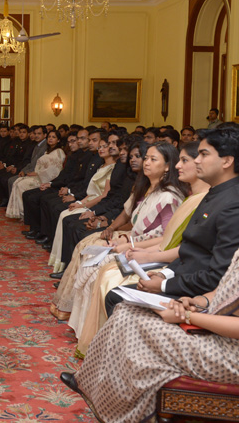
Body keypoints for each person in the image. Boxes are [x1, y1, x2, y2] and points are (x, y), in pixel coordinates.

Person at [61, 246, 239, 423]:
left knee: (138, 327)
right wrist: (195, 301)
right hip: (216, 329)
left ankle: (124, 410)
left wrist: (189, 316)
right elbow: (220, 292)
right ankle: (91, 384)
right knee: (127, 311)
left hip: (230, 354)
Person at [74, 141, 209, 356]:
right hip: (161, 258)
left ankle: (106, 349)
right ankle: (95, 341)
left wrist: (141, 251)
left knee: (108, 277)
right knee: (96, 260)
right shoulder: (194, 197)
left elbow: (176, 244)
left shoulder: (188, 198)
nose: (178, 166)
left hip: (174, 268)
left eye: (185, 161)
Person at [105, 124, 239, 315]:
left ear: (226, 161)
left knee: (117, 298)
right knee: (116, 294)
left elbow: (219, 275)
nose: (197, 161)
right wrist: (163, 273)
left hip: (199, 295)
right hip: (183, 278)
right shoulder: (214, 193)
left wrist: (165, 285)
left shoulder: (232, 204)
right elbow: (189, 249)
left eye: (204, 155)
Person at [50, 143, 186, 322]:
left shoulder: (169, 196)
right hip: (132, 238)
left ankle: (91, 322)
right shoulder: (145, 186)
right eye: (146, 158)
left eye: (153, 160)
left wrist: (128, 243)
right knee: (86, 245)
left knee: (99, 264)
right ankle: (72, 312)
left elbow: (166, 237)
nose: (146, 163)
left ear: (168, 166)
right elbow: (129, 217)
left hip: (148, 249)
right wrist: (116, 232)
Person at [48, 133, 118, 273]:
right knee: (64, 214)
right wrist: (80, 202)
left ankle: (69, 266)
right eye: (101, 146)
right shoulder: (101, 165)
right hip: (89, 200)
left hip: (97, 204)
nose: (101, 148)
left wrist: (84, 206)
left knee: (69, 219)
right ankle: (61, 261)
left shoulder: (114, 169)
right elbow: (90, 191)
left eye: (105, 146)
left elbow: (104, 195)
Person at [5, 129, 65, 218]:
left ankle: (24, 213)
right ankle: (18, 211)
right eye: (49, 137)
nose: (50, 139)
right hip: (39, 175)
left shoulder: (59, 152)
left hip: (46, 179)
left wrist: (37, 173)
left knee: (21, 184)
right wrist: (35, 172)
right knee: (17, 181)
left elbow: (55, 170)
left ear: (58, 140)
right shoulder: (48, 151)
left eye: (53, 137)